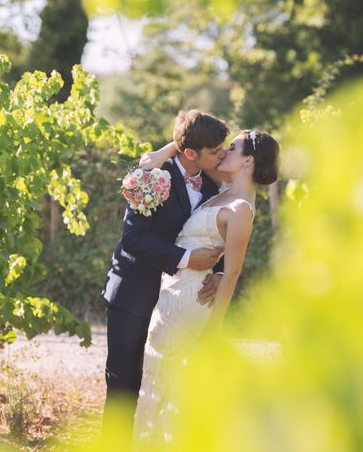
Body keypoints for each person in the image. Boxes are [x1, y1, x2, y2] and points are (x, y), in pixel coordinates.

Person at [133, 130, 280, 444]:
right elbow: (194, 149)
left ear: (248, 161)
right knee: (158, 381)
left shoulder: (241, 209)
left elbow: (234, 272)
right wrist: (164, 153)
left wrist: (213, 331)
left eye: (233, 147)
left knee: (168, 386)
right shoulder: (224, 186)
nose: (224, 151)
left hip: (192, 302)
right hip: (173, 291)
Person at [101, 109, 230, 437]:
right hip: (133, 295)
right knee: (124, 387)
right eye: (215, 151)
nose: (223, 155)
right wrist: (188, 258)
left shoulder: (216, 183)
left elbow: (229, 229)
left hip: (178, 302)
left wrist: (219, 271)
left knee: (162, 389)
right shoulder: (152, 176)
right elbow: (132, 238)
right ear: (190, 153)